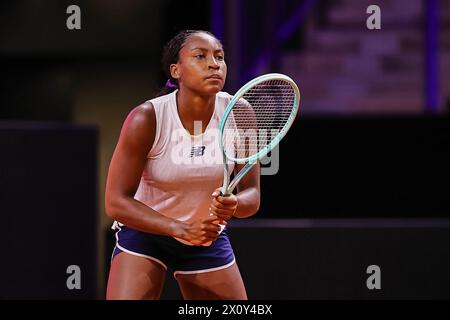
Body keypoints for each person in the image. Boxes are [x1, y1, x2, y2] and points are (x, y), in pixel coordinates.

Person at [105, 30, 260, 300]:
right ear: (176, 71)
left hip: (206, 236)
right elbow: (116, 202)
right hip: (147, 233)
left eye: (219, 57)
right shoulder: (146, 118)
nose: (214, 64)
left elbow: (252, 196)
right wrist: (179, 228)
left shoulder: (240, 113)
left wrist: (234, 204)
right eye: (200, 56)